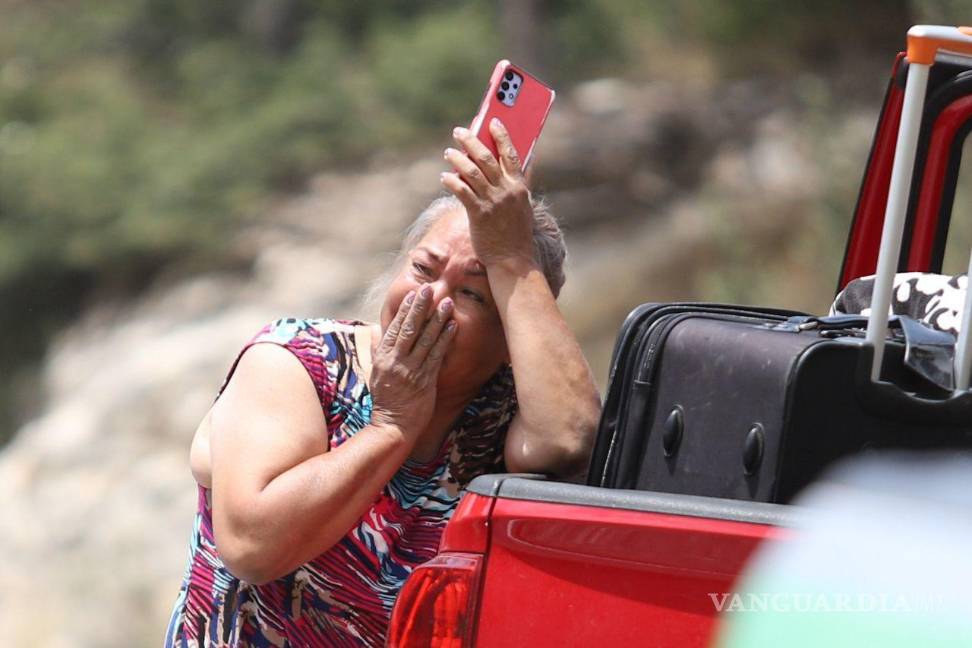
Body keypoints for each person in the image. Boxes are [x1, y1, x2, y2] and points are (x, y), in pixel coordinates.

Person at [164, 118, 602, 646]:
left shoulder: (500, 412)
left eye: (472, 295)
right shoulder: (300, 363)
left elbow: (573, 440)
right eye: (423, 270)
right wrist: (390, 427)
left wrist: (512, 259)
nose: (430, 300)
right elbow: (253, 548)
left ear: (511, 332)